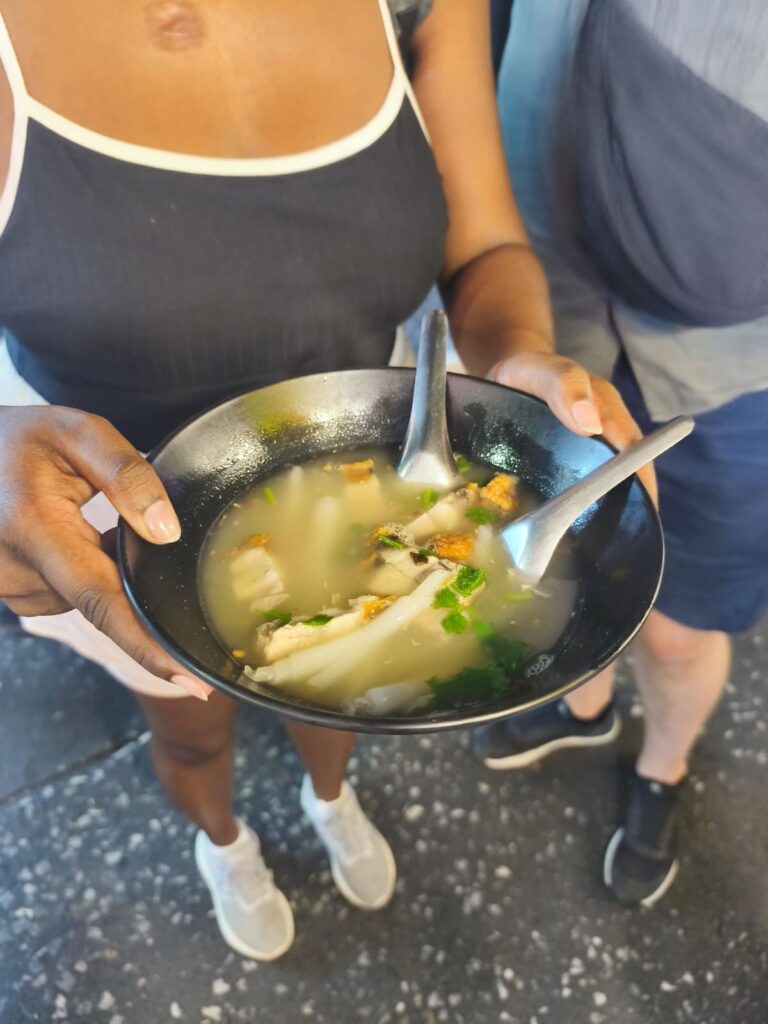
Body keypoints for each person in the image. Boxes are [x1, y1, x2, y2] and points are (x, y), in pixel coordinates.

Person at [0, 0, 640, 959]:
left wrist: (519, 361)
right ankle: (225, 843)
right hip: (103, 515)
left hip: (381, 447)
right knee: (190, 732)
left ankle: (328, 798)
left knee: (339, 708)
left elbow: (486, 249)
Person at [474, 0, 768, 907]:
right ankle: (586, 709)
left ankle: (663, 767)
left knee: (679, 630)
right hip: (543, 312)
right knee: (566, 574)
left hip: (738, 361)